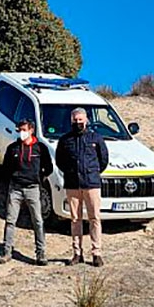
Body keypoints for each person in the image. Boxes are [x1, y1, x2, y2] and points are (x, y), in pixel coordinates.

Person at [55, 108, 109, 267]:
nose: (78, 122)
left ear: (86, 120)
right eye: (75, 120)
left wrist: (92, 172)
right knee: (75, 219)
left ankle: (96, 253)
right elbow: (60, 161)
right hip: (72, 184)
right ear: (71, 121)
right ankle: (77, 253)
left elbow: (103, 159)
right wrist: (71, 172)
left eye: (80, 120)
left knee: (94, 218)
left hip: (91, 183)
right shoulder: (65, 140)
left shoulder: (95, 138)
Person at [0, 119, 53, 266]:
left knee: (38, 221)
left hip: (33, 188)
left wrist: (39, 178)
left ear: (31, 130)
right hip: (15, 188)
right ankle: (6, 252)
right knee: (10, 220)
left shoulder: (40, 148)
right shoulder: (13, 148)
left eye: (24, 129)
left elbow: (48, 167)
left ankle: (41, 254)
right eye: (19, 130)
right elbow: (5, 168)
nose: (21, 132)